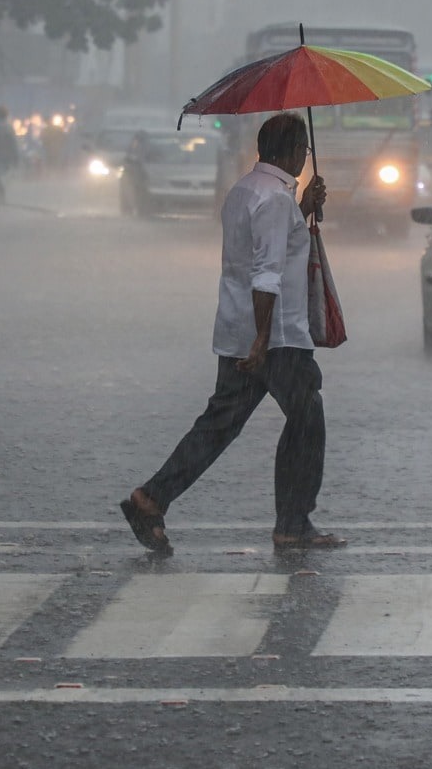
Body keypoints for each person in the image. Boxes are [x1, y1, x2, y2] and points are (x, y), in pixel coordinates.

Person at [119, 112, 344, 554]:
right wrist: (262, 341)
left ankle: (152, 498)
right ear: (294, 151)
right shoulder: (276, 199)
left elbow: (265, 247)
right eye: (305, 150)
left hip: (239, 328)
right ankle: (293, 524)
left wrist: (303, 210)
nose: (305, 158)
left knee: (219, 425)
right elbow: (267, 272)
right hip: (276, 337)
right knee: (307, 420)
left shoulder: (246, 191)